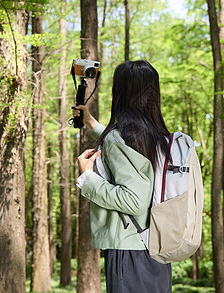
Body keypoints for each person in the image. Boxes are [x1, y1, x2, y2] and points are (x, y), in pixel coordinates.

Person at [73, 60, 172, 293]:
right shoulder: (160, 138)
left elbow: (134, 201)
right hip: (156, 248)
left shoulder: (119, 139)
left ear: (121, 93)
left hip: (129, 252)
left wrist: (88, 177)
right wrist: (91, 122)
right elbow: (131, 155)